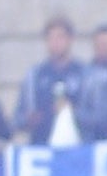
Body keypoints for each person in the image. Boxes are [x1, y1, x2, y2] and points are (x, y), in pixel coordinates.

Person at [17, 16, 84, 145]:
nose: (55, 43)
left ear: (70, 40)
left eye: (60, 37)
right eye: (51, 38)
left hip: (78, 147)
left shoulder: (85, 74)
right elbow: (17, 118)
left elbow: (99, 116)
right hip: (41, 145)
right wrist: (29, 120)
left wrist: (72, 112)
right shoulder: (34, 75)